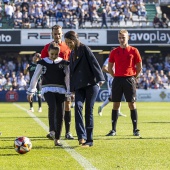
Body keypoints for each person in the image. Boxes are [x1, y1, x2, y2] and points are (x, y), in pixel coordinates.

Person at [64, 30, 105, 147]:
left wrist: (100, 79)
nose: (68, 45)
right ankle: (81, 137)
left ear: (75, 40)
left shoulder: (84, 49)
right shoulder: (71, 54)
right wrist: (71, 89)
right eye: (66, 43)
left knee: (88, 111)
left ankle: (89, 140)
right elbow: (72, 73)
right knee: (77, 107)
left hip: (91, 85)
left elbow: (94, 63)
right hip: (78, 87)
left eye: (69, 42)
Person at [27, 42, 70, 146]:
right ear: (48, 53)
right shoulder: (42, 62)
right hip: (47, 88)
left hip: (61, 89)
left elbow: (68, 78)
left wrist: (69, 92)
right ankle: (52, 131)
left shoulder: (64, 63)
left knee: (60, 113)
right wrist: (31, 91)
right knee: (52, 106)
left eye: (56, 54)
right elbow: (35, 77)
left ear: (58, 53)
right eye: (51, 54)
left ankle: (57, 139)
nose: (53, 56)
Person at [41, 25, 74, 140]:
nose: (57, 36)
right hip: (51, 83)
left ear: (62, 33)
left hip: (65, 82)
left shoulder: (67, 47)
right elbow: (43, 65)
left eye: (59, 34)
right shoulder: (46, 48)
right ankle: (52, 131)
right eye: (55, 34)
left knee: (67, 106)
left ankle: (68, 132)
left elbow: (70, 66)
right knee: (53, 107)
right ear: (52, 34)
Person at [107, 29, 142, 137]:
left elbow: (139, 67)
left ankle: (135, 129)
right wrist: (116, 76)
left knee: (131, 104)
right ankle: (113, 130)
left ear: (128, 37)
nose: (121, 40)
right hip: (117, 80)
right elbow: (109, 68)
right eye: (120, 38)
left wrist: (133, 77)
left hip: (129, 79)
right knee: (116, 104)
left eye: (123, 37)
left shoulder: (134, 50)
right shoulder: (114, 52)